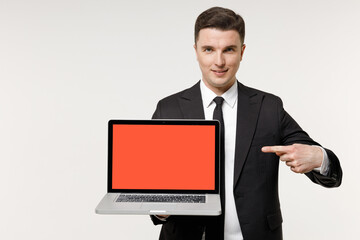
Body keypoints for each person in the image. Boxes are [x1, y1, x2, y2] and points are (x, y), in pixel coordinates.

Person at [150, 6, 342, 240]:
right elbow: (152, 192)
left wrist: (318, 158)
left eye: (228, 50)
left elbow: (332, 173)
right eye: (209, 49)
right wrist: (160, 208)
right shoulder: (169, 109)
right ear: (196, 51)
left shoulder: (268, 107)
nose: (219, 61)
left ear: (242, 52)